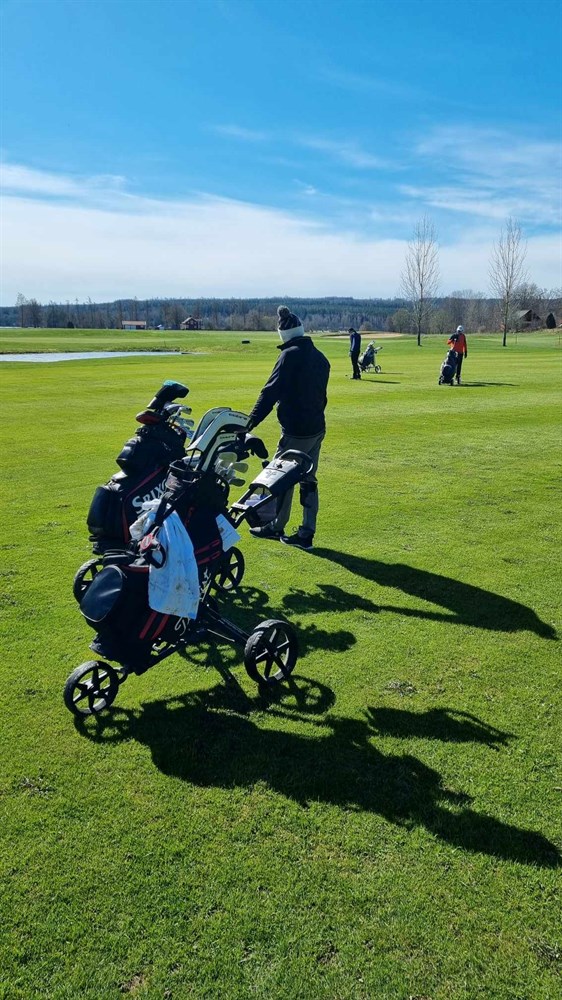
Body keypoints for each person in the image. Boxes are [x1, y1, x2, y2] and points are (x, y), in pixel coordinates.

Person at [245, 305, 330, 550]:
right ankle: (306, 533)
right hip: (317, 428)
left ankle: (276, 526)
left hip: (296, 431)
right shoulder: (320, 357)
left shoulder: (289, 356)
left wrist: (250, 422)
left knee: (280, 477)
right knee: (308, 479)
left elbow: (270, 392)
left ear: (283, 335)